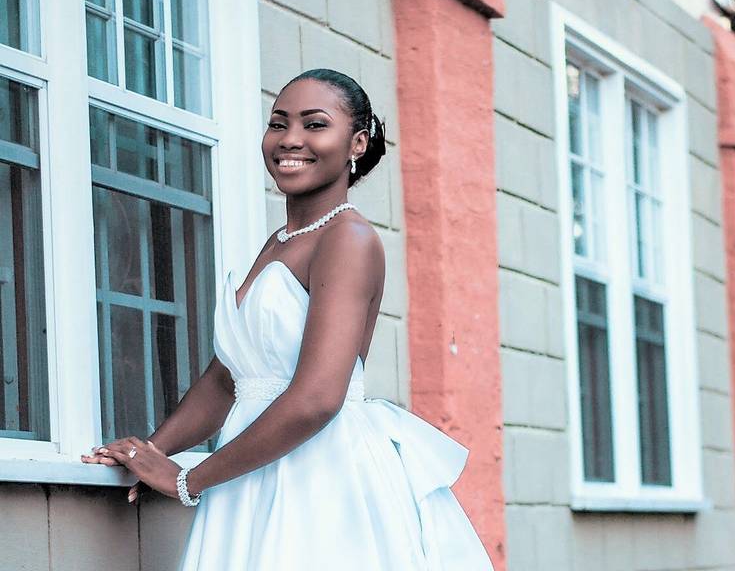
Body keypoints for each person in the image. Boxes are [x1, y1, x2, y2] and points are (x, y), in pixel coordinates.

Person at [80, 69, 494, 570]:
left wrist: (187, 478)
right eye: (279, 123)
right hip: (249, 473)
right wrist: (149, 454)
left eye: (315, 124)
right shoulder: (279, 242)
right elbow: (228, 379)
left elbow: (318, 398)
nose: (290, 139)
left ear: (357, 142)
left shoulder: (349, 239)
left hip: (319, 476)